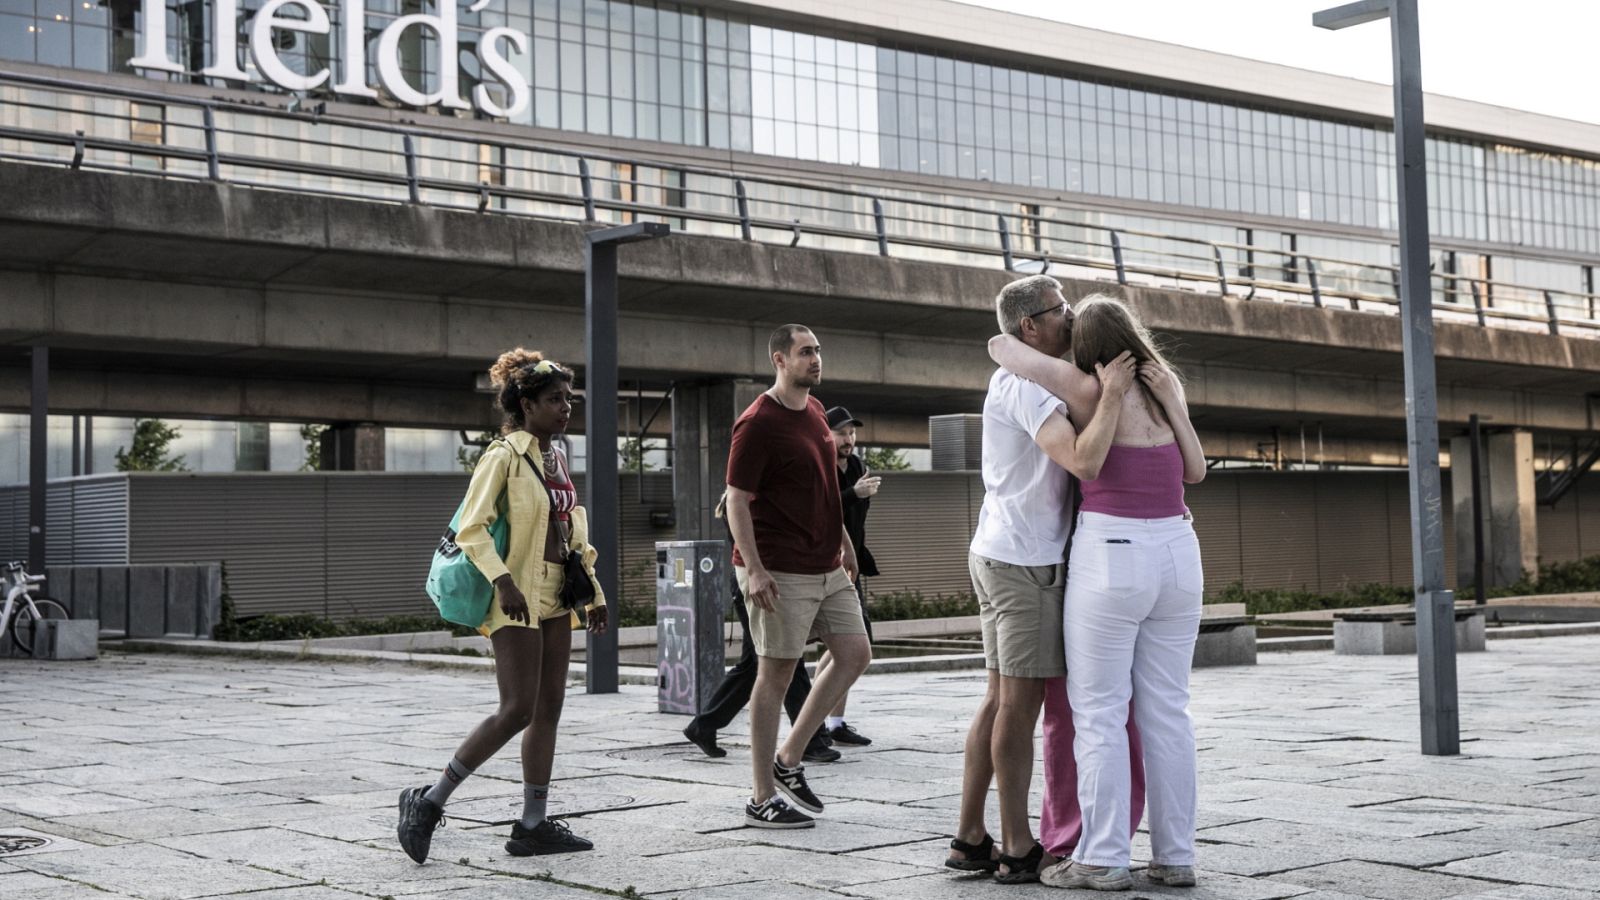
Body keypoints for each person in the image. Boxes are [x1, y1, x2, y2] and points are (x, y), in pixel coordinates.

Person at [991, 294, 1207, 890]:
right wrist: (1172, 403)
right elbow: (1196, 472)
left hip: (1112, 555)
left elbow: (1007, 352)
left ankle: (1104, 856)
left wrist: (1011, 340)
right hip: (1180, 553)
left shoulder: (1083, 390)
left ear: (1086, 345)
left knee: (1100, 713)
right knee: (1168, 711)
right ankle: (1175, 856)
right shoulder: (1168, 387)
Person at [948, 276, 1140, 884]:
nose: (1071, 317)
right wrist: (1112, 395)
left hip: (1001, 550)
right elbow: (1082, 460)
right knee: (1018, 705)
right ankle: (1016, 845)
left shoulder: (1018, 374)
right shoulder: (1028, 387)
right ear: (1030, 326)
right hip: (1024, 564)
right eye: (1061, 311)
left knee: (999, 699)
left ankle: (970, 836)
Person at [397, 349, 608, 863]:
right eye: (555, 400)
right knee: (517, 709)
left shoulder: (555, 458)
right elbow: (471, 526)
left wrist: (594, 593)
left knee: (549, 708)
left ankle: (532, 824)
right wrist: (503, 581)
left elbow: (569, 530)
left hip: (556, 592)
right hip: (514, 595)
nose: (566, 408)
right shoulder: (503, 456)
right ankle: (428, 801)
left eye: (569, 399)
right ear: (526, 404)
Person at [727, 324, 871, 829]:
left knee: (855, 653)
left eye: (818, 351)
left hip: (826, 562)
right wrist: (757, 570)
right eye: (805, 352)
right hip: (780, 568)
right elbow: (736, 502)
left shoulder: (814, 411)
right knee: (775, 675)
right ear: (779, 360)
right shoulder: (757, 423)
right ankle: (761, 795)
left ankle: (789, 759)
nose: (816, 359)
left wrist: (847, 545)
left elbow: (826, 486)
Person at [681, 493, 840, 764]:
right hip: (760, 585)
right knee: (788, 659)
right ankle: (811, 740)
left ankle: (704, 725)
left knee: (755, 664)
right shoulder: (742, 499)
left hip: (767, 583)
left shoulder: (747, 497)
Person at [809, 405, 881, 749]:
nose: (848, 439)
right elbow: (819, 508)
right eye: (842, 433)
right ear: (826, 434)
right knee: (849, 647)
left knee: (852, 646)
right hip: (822, 563)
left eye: (852, 433)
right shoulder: (819, 466)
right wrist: (855, 494)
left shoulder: (855, 467)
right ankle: (815, 718)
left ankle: (834, 722)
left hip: (849, 567)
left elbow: (856, 520)